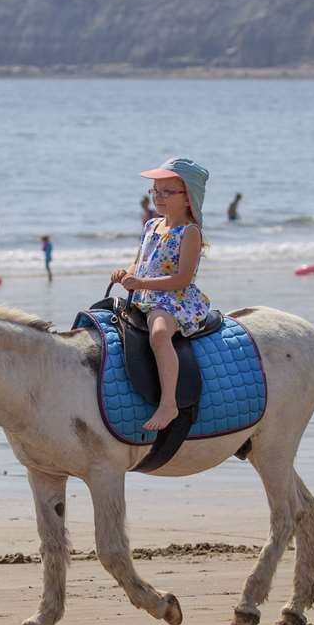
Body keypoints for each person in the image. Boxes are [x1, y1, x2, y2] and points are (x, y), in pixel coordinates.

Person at [111, 157, 212, 433]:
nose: (159, 197)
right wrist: (126, 273)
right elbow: (141, 261)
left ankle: (169, 403)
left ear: (188, 197)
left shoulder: (189, 232)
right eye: (155, 191)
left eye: (168, 192)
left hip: (173, 299)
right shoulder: (151, 226)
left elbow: (182, 279)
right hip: (144, 295)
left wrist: (141, 281)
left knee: (158, 333)